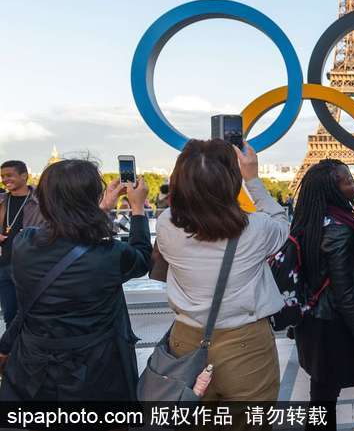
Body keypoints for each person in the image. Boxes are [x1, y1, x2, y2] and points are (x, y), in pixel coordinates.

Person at [0, 160, 151, 401]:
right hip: (96, 369)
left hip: (34, 366)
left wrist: (100, 209)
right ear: (91, 198)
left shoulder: (24, 243)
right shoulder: (110, 254)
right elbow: (142, 258)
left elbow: (64, 239)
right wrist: (138, 210)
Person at [156, 139, 287, 401]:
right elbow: (282, 223)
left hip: (185, 341)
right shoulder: (257, 228)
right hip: (246, 344)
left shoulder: (165, 225)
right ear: (232, 181)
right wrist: (253, 180)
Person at [292, 159, 354, 414]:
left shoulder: (313, 220)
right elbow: (346, 294)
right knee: (324, 401)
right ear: (332, 190)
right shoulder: (340, 229)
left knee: (321, 397)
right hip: (333, 328)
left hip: (313, 323)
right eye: (347, 181)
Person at [0, 160, 46, 325]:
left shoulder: (41, 201)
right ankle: (12, 350)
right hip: (3, 265)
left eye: (9, 175)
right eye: (2, 176)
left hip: (30, 265)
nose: (5, 179)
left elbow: (53, 228)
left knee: (32, 313)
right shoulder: (2, 200)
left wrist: (35, 235)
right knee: (10, 315)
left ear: (24, 176)